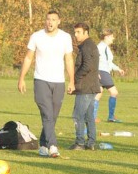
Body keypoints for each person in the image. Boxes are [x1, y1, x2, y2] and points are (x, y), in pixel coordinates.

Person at [18, 10, 74, 158]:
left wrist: (72, 81)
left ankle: (43, 144)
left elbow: (69, 59)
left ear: (59, 21)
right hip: (41, 80)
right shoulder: (36, 36)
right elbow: (29, 58)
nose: (50, 22)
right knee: (47, 114)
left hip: (59, 81)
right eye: (48, 19)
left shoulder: (65, 37)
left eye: (54, 20)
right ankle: (53, 146)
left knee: (53, 116)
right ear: (45, 20)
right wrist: (21, 78)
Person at [69, 23, 101, 151]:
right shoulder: (88, 45)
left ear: (85, 33)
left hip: (86, 87)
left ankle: (80, 143)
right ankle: (91, 143)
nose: (75, 35)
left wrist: (75, 79)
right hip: (90, 86)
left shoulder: (87, 46)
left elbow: (87, 66)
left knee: (78, 115)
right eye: (75, 32)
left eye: (78, 32)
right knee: (88, 116)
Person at [95, 29, 125, 123]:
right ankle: (111, 117)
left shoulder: (105, 47)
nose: (113, 38)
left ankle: (93, 117)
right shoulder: (101, 47)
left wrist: (118, 69)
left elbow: (109, 63)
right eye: (112, 36)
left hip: (102, 71)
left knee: (98, 94)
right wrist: (96, 72)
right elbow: (94, 59)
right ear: (106, 37)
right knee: (114, 92)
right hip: (102, 72)